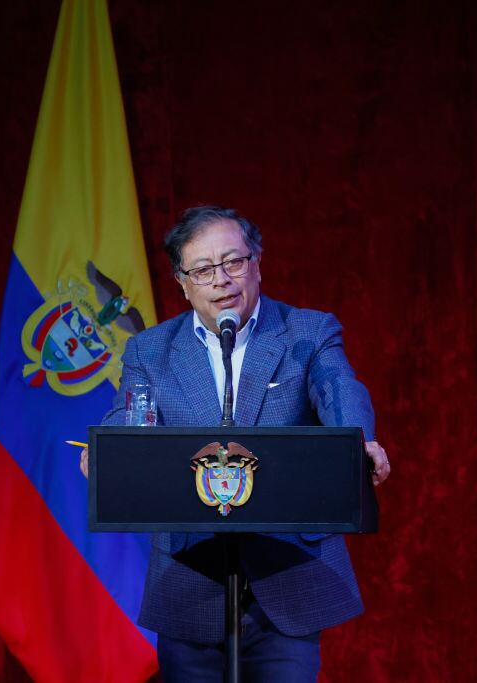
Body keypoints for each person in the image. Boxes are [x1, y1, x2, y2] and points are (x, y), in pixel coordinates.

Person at [80, 206, 390, 682]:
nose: (221, 279)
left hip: (285, 570)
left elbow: (338, 387)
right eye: (203, 270)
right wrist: (111, 446)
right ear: (183, 283)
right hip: (190, 572)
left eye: (233, 262)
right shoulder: (150, 349)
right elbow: (132, 410)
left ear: (257, 263)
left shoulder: (305, 332)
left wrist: (361, 439)